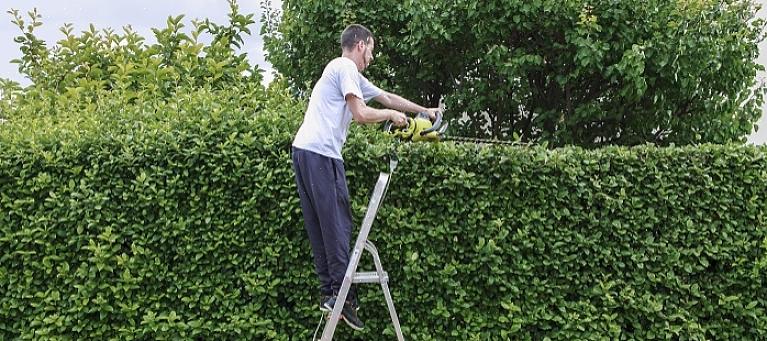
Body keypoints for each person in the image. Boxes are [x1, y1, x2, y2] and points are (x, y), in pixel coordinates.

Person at [291, 24, 440, 331]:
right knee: (337, 224)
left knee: (323, 225)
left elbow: (386, 96)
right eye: (371, 50)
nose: (371, 57)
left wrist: (423, 110)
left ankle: (332, 294)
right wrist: (389, 117)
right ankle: (341, 298)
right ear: (360, 45)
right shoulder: (344, 66)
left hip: (306, 151)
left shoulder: (348, 75)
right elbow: (361, 114)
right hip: (321, 153)